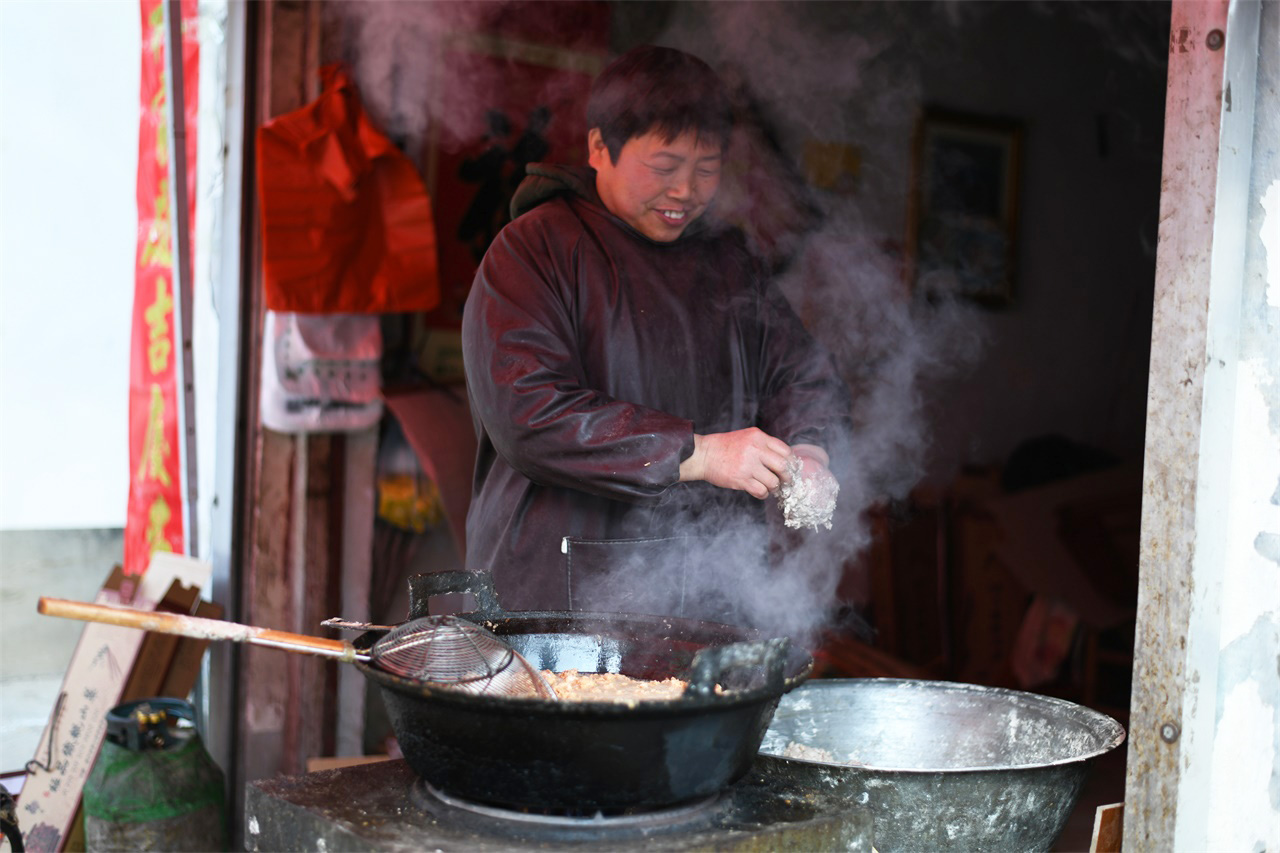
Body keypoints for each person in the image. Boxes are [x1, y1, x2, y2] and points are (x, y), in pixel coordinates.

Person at [461, 45, 852, 622]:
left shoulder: (728, 259)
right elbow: (530, 415)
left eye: (708, 168)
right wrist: (700, 454)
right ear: (599, 148)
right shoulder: (532, 250)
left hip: (711, 589)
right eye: (665, 166)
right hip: (557, 596)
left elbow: (799, 372)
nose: (685, 192)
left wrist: (810, 449)